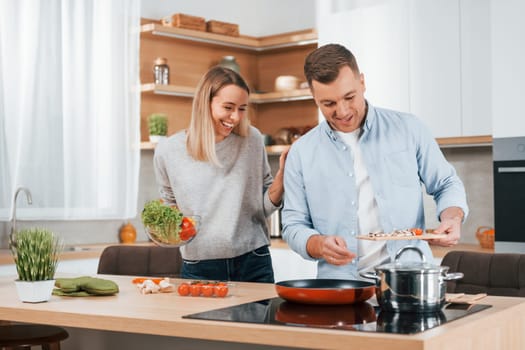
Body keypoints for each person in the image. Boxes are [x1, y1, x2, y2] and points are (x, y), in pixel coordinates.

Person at [281, 43, 468, 280]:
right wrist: (316, 244)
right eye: (328, 104)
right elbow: (293, 224)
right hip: (340, 289)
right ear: (313, 96)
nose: (343, 111)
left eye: (350, 97)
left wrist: (452, 217)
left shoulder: (408, 129)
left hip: (408, 282)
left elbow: (446, 183)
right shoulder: (302, 152)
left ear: (362, 82)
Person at [153, 66, 287, 283]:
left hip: (253, 261)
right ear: (205, 103)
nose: (235, 117)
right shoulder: (169, 150)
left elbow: (263, 207)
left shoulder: (251, 140)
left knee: (260, 318)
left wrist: (282, 177)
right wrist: (166, 228)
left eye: (242, 108)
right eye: (228, 107)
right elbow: (170, 207)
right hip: (200, 265)